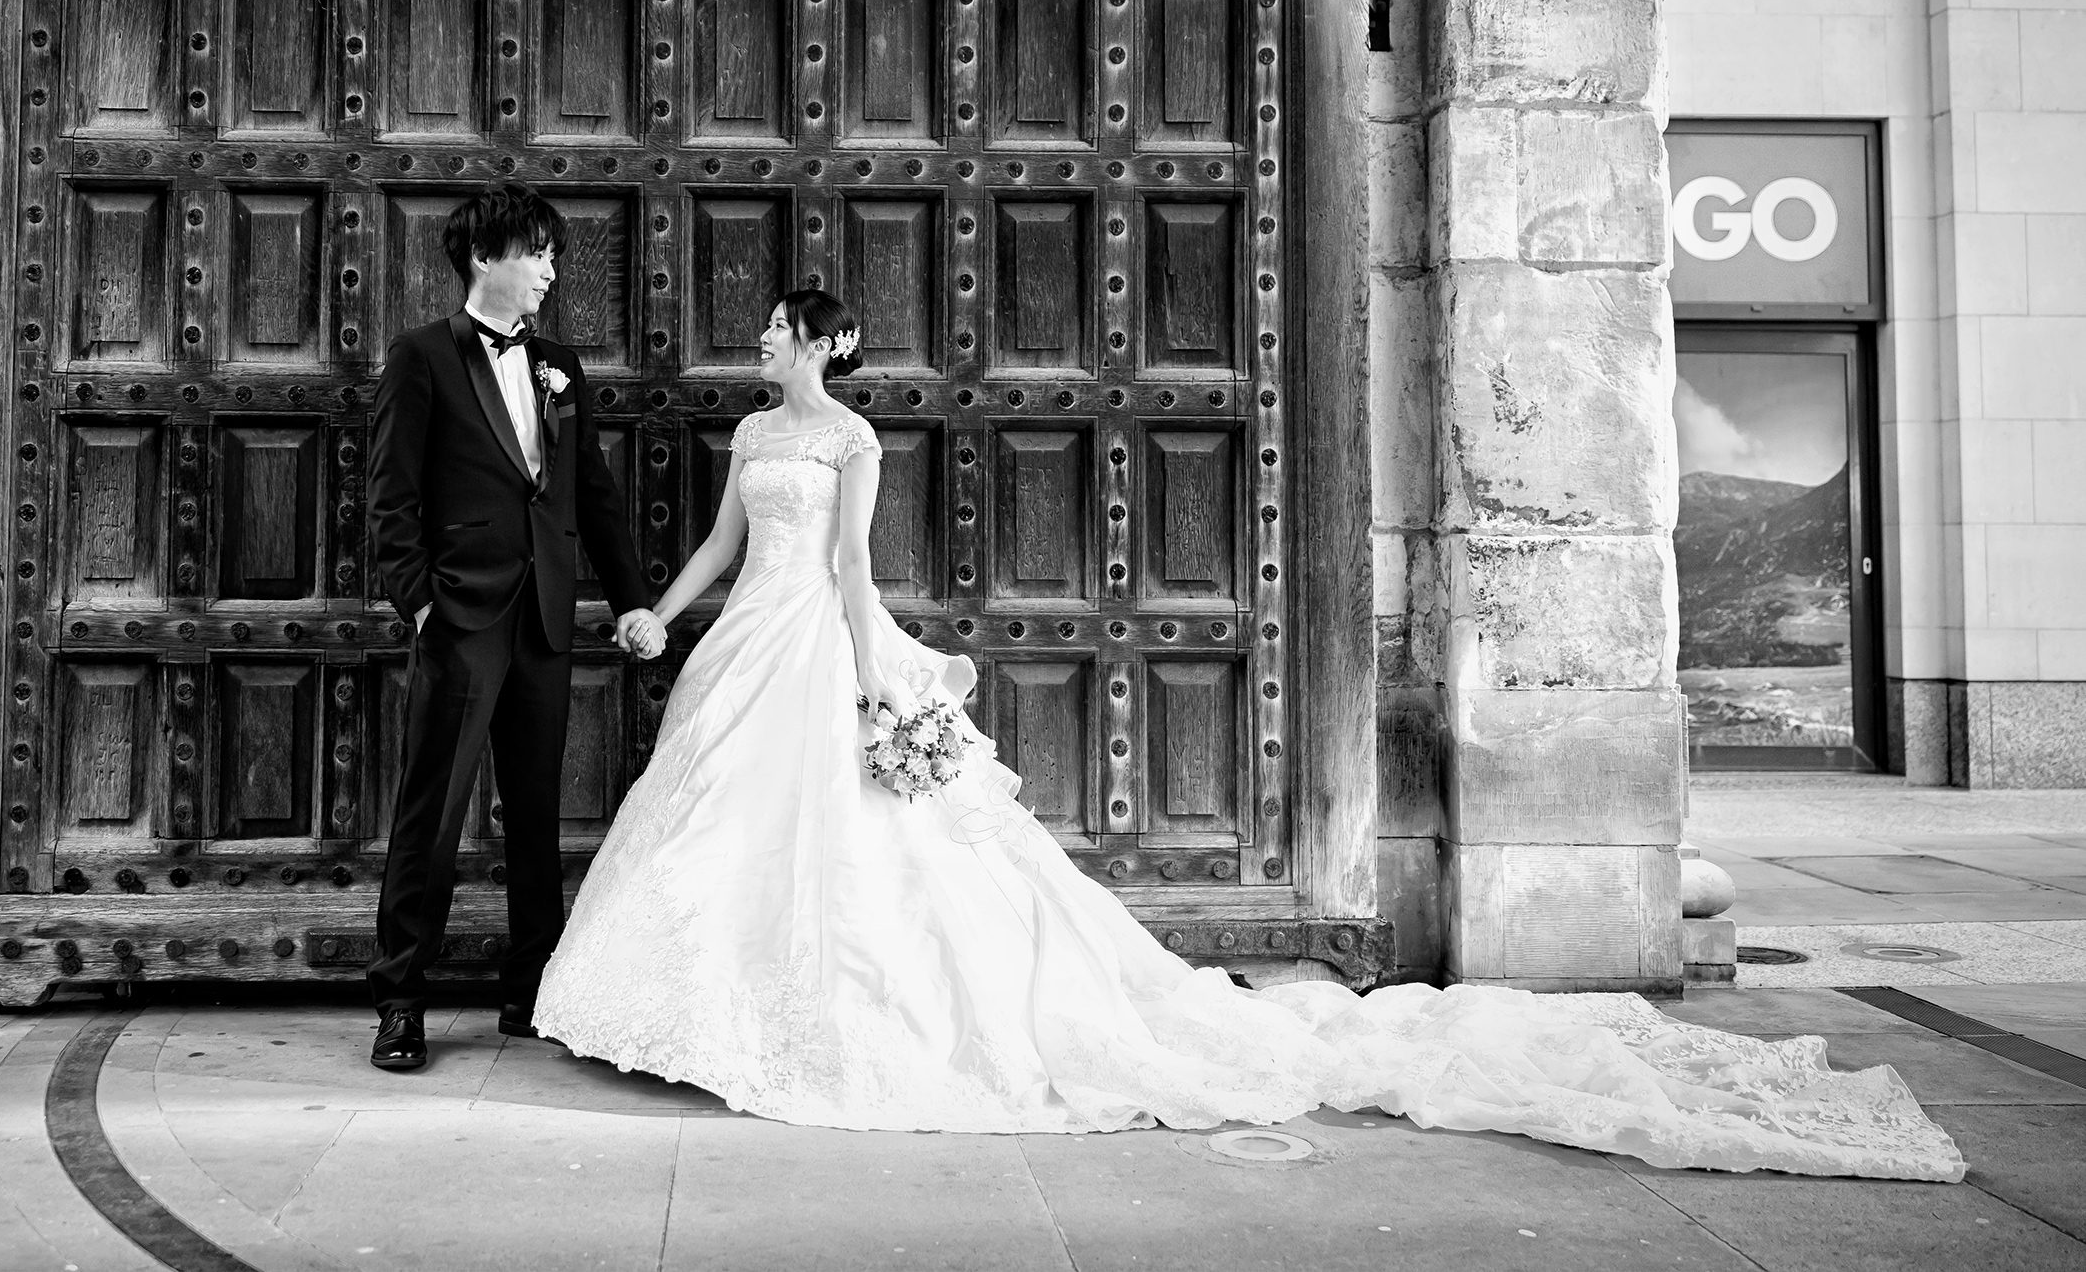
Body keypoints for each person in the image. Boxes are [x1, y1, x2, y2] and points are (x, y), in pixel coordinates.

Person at [531, 288, 1967, 1181]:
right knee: (722, 818)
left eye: (786, 328)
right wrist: (662, 613)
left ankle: (807, 1011)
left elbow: (848, 568)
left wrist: (878, 670)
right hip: (744, 641)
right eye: (775, 332)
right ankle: (713, 1002)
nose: (771, 342)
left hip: (820, 642)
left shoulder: (849, 440)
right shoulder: (749, 439)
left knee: (844, 843)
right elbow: (724, 542)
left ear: (821, 343)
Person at [364, 182, 665, 1073]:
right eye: (535, 252)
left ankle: (531, 987)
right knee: (436, 808)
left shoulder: (561, 364)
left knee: (535, 812)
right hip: (460, 619)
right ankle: (401, 1000)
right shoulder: (421, 357)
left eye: (552, 253)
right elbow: (391, 499)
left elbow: (592, 497)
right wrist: (421, 602)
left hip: (545, 616)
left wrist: (631, 597)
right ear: (483, 258)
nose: (549, 270)